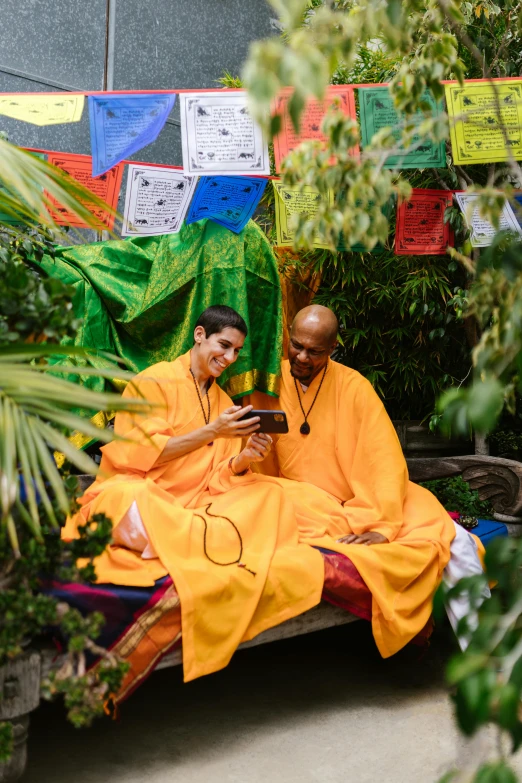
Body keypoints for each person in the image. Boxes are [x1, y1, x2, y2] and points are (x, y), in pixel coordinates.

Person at [62, 305, 324, 683]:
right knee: (131, 497)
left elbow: (218, 475)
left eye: (236, 351)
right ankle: (198, 541)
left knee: (270, 494)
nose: (229, 358)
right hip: (145, 497)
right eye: (223, 345)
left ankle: (187, 541)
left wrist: (244, 458)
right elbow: (138, 457)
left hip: (194, 506)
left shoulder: (221, 402)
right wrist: (212, 432)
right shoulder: (153, 382)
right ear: (199, 335)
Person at [252, 304, 488, 657]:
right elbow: (256, 464)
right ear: (288, 334)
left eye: (314, 351)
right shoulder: (266, 384)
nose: (301, 357)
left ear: (333, 348)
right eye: (296, 345)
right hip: (305, 503)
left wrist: (382, 524)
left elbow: (383, 461)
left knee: (456, 541)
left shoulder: (354, 387)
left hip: (366, 498)